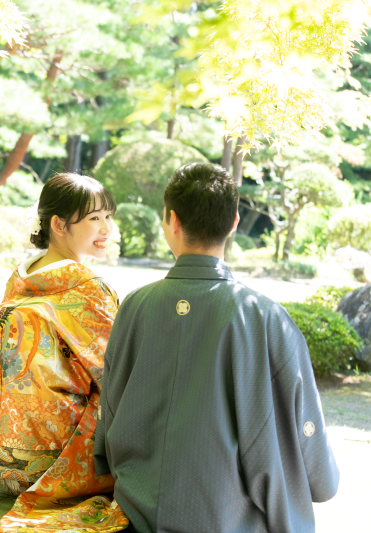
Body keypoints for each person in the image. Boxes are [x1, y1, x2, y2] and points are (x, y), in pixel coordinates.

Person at [93, 162, 340, 533]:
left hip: (136, 514)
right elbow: (305, 431)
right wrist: (323, 480)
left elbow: (109, 414)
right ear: (235, 223)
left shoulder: (135, 306)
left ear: (172, 221)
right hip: (228, 519)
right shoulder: (266, 317)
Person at [0, 173, 130, 533]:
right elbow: (120, 373)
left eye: (108, 217)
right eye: (95, 218)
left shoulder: (19, 278)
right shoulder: (88, 288)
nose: (107, 229)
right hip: (53, 467)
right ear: (58, 224)